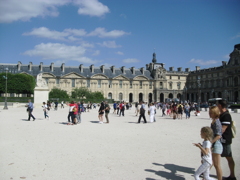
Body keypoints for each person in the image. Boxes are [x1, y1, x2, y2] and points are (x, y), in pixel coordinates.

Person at [217, 100, 236, 180]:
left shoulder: (226, 116)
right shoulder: (222, 114)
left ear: (220, 106)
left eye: (217, 105)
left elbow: (222, 129)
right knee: (214, 156)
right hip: (221, 139)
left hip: (224, 139)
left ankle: (232, 176)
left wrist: (213, 136)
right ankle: (204, 172)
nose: (216, 106)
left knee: (229, 157)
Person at [209, 106, 223, 180]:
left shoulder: (217, 122)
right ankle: (205, 177)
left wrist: (210, 142)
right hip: (214, 144)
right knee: (210, 163)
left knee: (217, 165)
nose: (209, 114)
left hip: (216, 145)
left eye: (211, 113)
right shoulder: (214, 121)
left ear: (215, 113)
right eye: (209, 112)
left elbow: (218, 136)